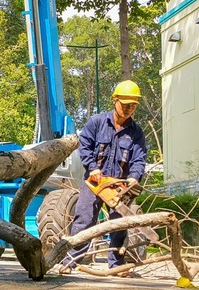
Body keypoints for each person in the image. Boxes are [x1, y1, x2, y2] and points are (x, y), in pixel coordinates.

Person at [60, 80, 147, 276]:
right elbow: (84, 147)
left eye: (132, 106)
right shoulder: (96, 123)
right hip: (94, 184)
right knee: (84, 221)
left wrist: (134, 177)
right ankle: (70, 262)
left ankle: (116, 265)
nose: (128, 109)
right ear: (115, 101)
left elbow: (139, 160)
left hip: (119, 187)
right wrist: (92, 168)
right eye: (125, 105)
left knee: (119, 224)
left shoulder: (136, 133)